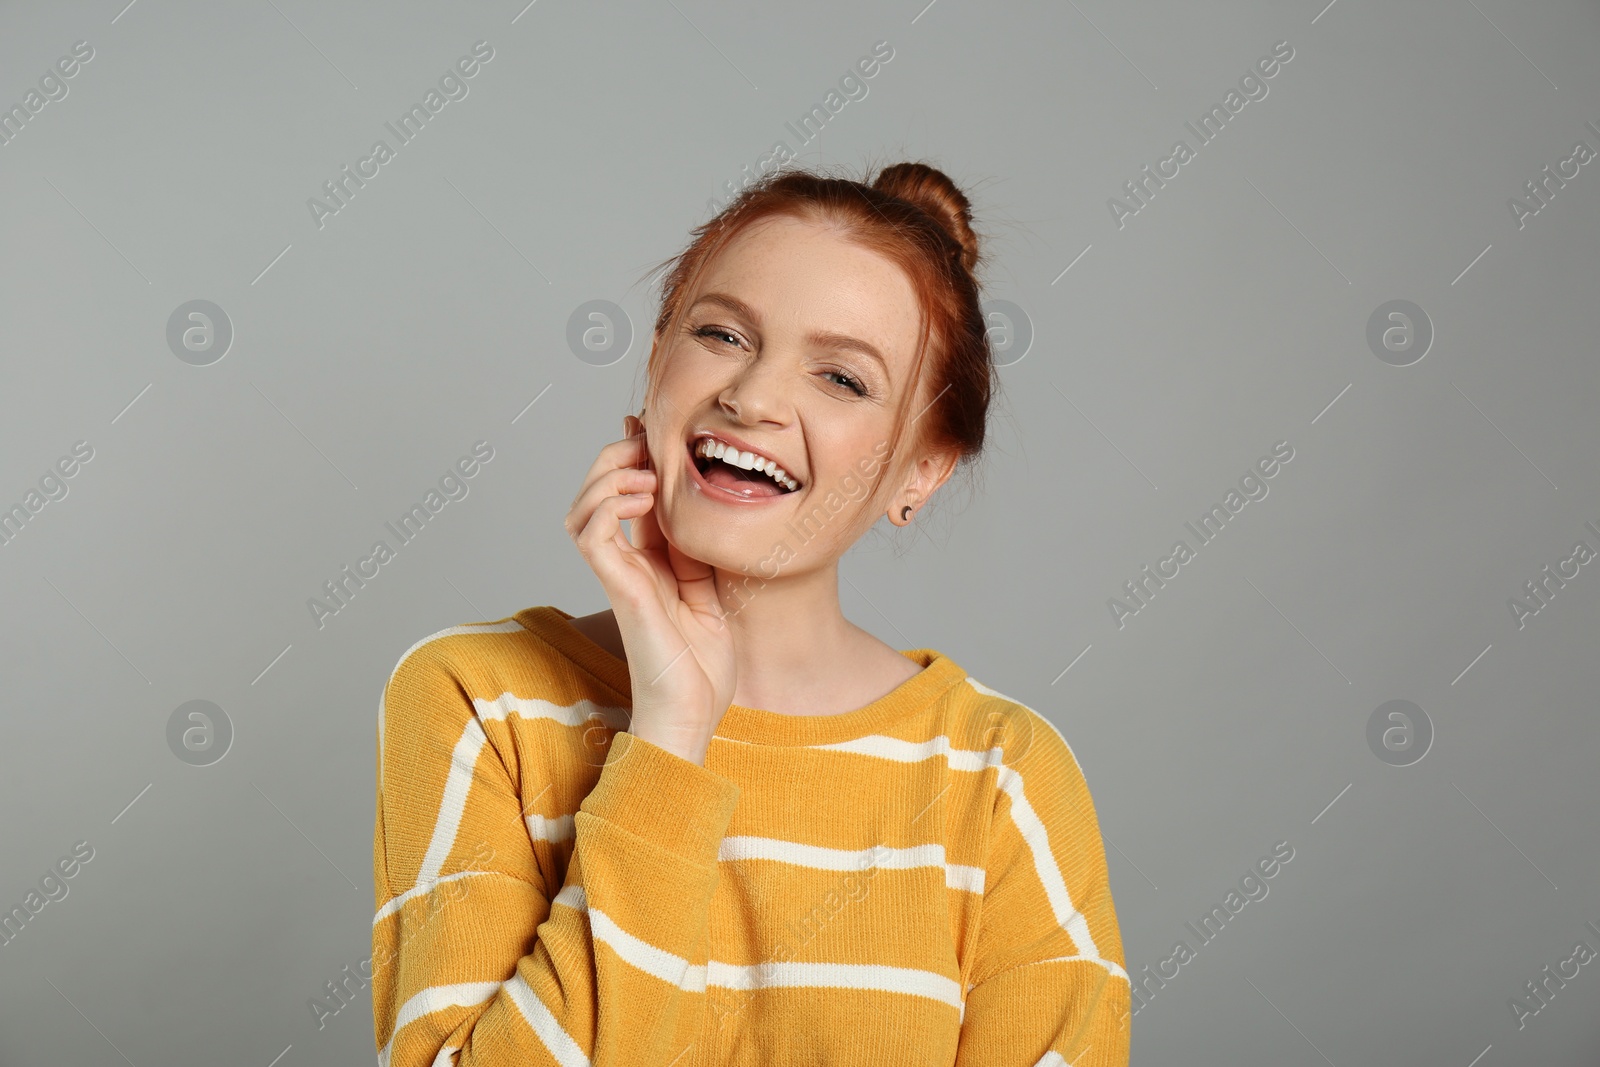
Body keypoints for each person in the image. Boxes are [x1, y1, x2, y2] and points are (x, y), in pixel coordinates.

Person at [371, 161, 1130, 1065]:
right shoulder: (479, 701)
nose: (754, 397)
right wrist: (668, 737)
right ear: (655, 363)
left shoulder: (1002, 779)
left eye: (843, 379)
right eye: (723, 333)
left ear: (921, 470)